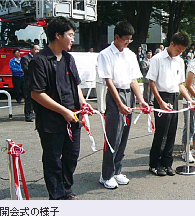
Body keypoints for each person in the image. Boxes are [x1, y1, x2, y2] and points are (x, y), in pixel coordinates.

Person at [29, 16, 93, 200]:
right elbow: (37, 93)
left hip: (72, 119)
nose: (73, 39)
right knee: (53, 161)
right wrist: (63, 111)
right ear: (58, 35)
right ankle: (56, 197)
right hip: (51, 122)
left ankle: (66, 190)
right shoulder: (39, 61)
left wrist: (82, 102)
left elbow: (76, 85)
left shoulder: (69, 58)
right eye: (70, 35)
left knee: (72, 157)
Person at [97, 21, 148, 189]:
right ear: (116, 37)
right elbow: (109, 81)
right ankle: (106, 174)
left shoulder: (130, 55)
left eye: (130, 40)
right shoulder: (105, 54)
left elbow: (134, 80)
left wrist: (141, 100)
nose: (127, 42)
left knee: (124, 135)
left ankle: (117, 170)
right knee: (112, 136)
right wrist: (119, 103)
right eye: (125, 39)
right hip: (115, 95)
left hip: (129, 94)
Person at [146, 32, 195, 176]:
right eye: (178, 50)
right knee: (161, 132)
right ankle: (154, 164)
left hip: (174, 97)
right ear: (172, 44)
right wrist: (160, 102)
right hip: (161, 96)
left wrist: (190, 99)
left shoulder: (180, 61)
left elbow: (180, 84)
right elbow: (151, 82)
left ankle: (167, 164)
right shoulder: (157, 59)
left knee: (172, 132)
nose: (179, 53)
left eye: (182, 51)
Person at [21, 44, 40, 122]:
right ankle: (28, 115)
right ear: (31, 49)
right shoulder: (25, 58)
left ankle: (37, 114)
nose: (37, 51)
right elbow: (26, 69)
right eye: (36, 49)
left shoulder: (39, 58)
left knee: (38, 99)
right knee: (29, 99)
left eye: (38, 49)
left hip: (38, 82)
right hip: (29, 82)